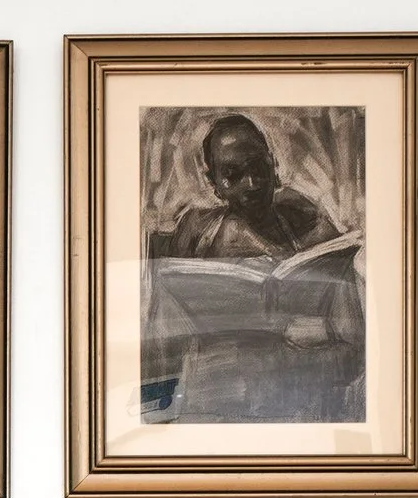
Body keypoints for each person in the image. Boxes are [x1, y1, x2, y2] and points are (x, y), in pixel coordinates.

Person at [142, 113, 365, 423]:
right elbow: (161, 342)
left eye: (258, 168)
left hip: (298, 403)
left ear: (273, 166)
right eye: (232, 174)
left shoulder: (310, 224)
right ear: (214, 183)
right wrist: (152, 421)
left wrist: (323, 331)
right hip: (214, 403)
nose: (251, 184)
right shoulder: (195, 233)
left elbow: (356, 344)